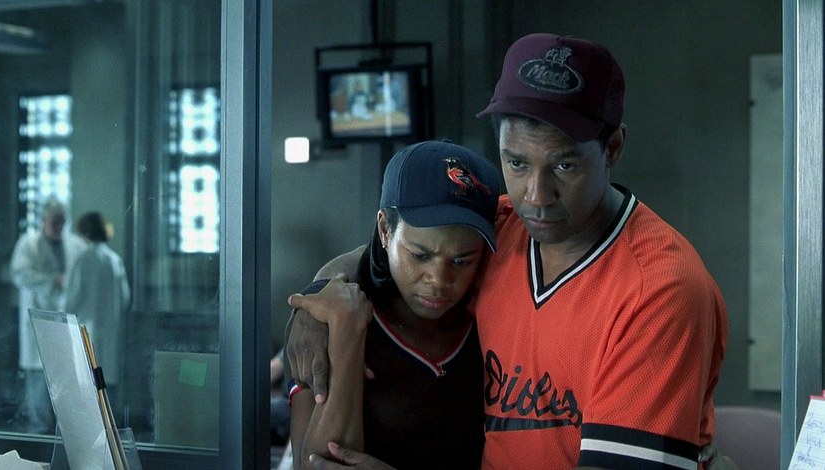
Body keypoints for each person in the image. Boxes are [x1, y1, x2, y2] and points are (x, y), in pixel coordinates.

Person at [286, 33, 729, 469]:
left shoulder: (660, 289)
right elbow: (398, 249)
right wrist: (317, 300)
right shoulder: (501, 228)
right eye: (516, 163)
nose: (536, 195)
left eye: (564, 164)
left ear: (612, 148)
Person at [287, 139, 501, 469]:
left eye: (462, 261)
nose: (438, 280)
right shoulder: (329, 316)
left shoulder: (490, 316)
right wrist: (346, 330)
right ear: (386, 230)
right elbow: (315, 464)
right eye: (420, 256)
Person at [10, 198, 85, 433]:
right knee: (37, 382)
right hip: (37, 321)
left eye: (62, 222)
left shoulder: (74, 244)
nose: (58, 227)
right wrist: (52, 280)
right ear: (43, 221)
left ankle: (62, 436)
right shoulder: (28, 244)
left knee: (65, 383)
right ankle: (38, 433)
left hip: (64, 322)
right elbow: (19, 274)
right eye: (54, 222)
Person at [64, 211, 130, 418]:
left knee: (88, 386)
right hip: (112, 331)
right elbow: (125, 298)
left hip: (87, 330)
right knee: (107, 385)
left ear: (84, 233)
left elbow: (72, 299)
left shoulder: (83, 258)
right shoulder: (114, 260)